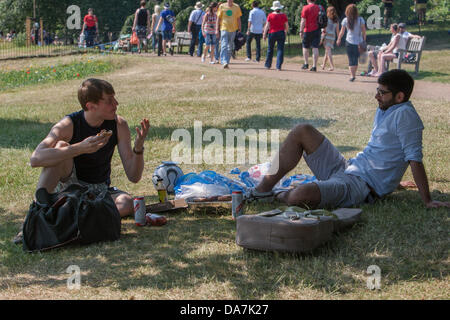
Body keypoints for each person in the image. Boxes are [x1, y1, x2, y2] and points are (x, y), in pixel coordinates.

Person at [248, 69, 450, 210]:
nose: (376, 96)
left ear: (399, 96)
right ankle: (261, 192)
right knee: (303, 130)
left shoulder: (406, 116)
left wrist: (427, 200)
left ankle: (277, 194)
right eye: (377, 91)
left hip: (360, 187)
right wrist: (394, 181)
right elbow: (385, 153)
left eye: (382, 92)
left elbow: (414, 158)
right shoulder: (387, 109)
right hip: (348, 168)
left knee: (299, 196)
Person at [28, 78, 149, 219]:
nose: (116, 104)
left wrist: (138, 148)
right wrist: (80, 148)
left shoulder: (118, 124)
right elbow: (35, 159)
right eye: (109, 100)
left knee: (127, 203)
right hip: (69, 189)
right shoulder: (68, 124)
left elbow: (134, 176)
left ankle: (72, 217)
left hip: (99, 190)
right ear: (91, 106)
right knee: (61, 147)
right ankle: (35, 216)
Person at [337, 4, 366, 82]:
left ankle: (352, 75)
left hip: (349, 41)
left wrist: (339, 39)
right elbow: (364, 31)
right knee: (355, 59)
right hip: (359, 41)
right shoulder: (361, 19)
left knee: (351, 59)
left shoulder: (345, 20)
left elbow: (342, 31)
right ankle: (354, 74)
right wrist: (364, 40)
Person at [216, 0, 242, 69]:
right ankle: (224, 61)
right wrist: (216, 29)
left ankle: (226, 61)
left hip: (233, 29)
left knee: (230, 46)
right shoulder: (222, 6)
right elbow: (218, 18)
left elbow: (238, 18)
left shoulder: (236, 7)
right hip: (224, 28)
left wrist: (239, 28)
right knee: (224, 45)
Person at [263, 1, 288, 71]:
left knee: (270, 49)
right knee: (280, 49)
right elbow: (287, 25)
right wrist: (285, 31)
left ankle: (268, 65)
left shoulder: (270, 15)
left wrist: (264, 34)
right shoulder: (283, 15)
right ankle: (278, 66)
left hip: (272, 33)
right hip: (281, 32)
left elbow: (267, 26)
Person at [299, 0, 322, 72]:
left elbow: (303, 21)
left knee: (305, 47)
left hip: (307, 30)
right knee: (315, 47)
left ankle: (306, 64)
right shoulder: (319, 7)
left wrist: (300, 31)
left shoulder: (305, 8)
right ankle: (314, 66)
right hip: (317, 29)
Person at [320, 6, 340, 71]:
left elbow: (324, 29)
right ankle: (323, 65)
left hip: (327, 36)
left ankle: (332, 66)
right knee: (327, 52)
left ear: (328, 12)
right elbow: (337, 31)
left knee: (328, 51)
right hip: (332, 37)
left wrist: (321, 37)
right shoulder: (336, 20)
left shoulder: (327, 19)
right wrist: (338, 38)